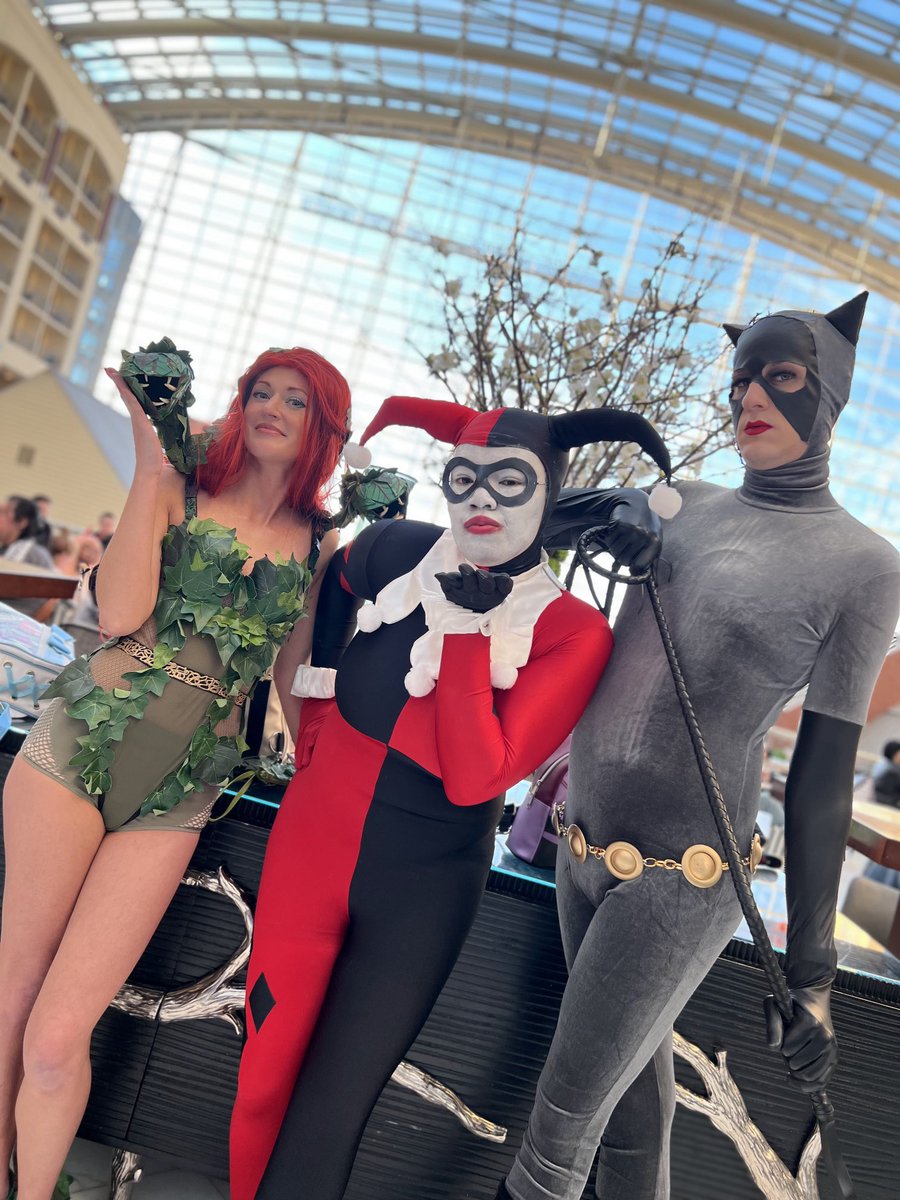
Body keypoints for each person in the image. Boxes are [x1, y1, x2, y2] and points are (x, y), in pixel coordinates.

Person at [495, 293, 900, 1200]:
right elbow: (512, 529)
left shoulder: (864, 565)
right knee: (631, 1120)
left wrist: (814, 977)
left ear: (830, 394)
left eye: (781, 376)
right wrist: (605, 508)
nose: (750, 395)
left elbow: (823, 779)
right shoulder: (685, 504)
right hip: (578, 849)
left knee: (555, 1141)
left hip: (681, 879)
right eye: (741, 378)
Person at [228, 395, 673, 1200]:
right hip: (312, 840)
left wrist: (468, 635)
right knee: (263, 1065)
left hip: (422, 890)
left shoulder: (571, 630)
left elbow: (476, 777)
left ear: (546, 491)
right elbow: (337, 581)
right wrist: (314, 701)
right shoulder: (397, 548)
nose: (482, 500)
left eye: (510, 482)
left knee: (333, 1107)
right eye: (465, 478)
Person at [0, 345, 352, 1200]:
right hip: (74, 753)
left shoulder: (322, 542)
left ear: (323, 427)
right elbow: (120, 615)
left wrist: (333, 778)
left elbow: (295, 675)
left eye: (295, 400)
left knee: (57, 1037)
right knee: (12, 1005)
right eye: (260, 390)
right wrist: (149, 465)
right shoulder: (180, 488)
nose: (271, 407)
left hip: (180, 792)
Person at [0, 496, 56, 616]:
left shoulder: (29, 553)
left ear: (21, 522)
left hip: (13, 620)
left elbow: (51, 600)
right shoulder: (7, 549)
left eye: (3, 512)